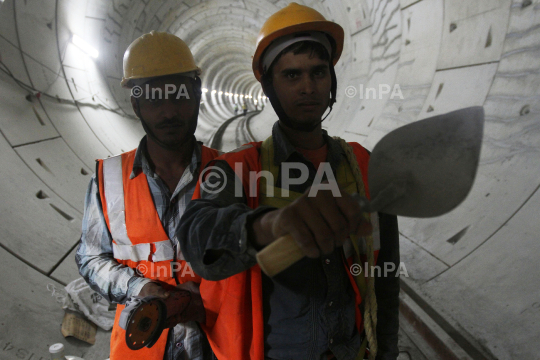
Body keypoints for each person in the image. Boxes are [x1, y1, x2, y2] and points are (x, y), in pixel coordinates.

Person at [179, 4, 400, 360]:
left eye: (318, 72)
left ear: (332, 79)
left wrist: (386, 352)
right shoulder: (237, 168)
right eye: (292, 76)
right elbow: (196, 236)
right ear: (268, 87)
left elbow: (386, 277)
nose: (309, 88)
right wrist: (269, 225)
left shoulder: (362, 165)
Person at [76, 31, 219, 360]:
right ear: (136, 103)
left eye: (179, 96)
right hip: (140, 344)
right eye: (155, 99)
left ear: (197, 95)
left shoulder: (228, 172)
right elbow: (91, 257)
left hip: (213, 342)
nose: (169, 111)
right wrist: (140, 288)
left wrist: (205, 294)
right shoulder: (108, 178)